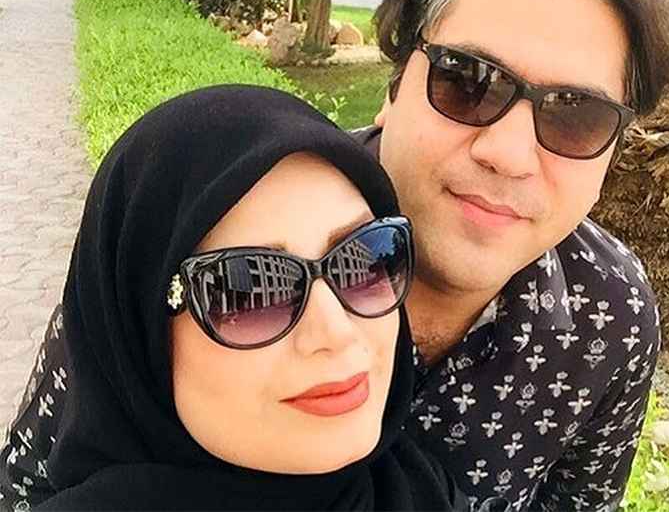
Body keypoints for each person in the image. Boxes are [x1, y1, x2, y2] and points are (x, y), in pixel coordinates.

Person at [2, 0, 669, 512]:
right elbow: (35, 478)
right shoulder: (223, 212)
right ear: (394, 86)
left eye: (576, 115)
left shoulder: (607, 316)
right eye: (468, 81)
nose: (509, 152)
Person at [1, 85, 465, 511]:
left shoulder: (422, 492)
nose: (336, 332)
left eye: (364, 260)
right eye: (250, 293)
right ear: (140, 335)